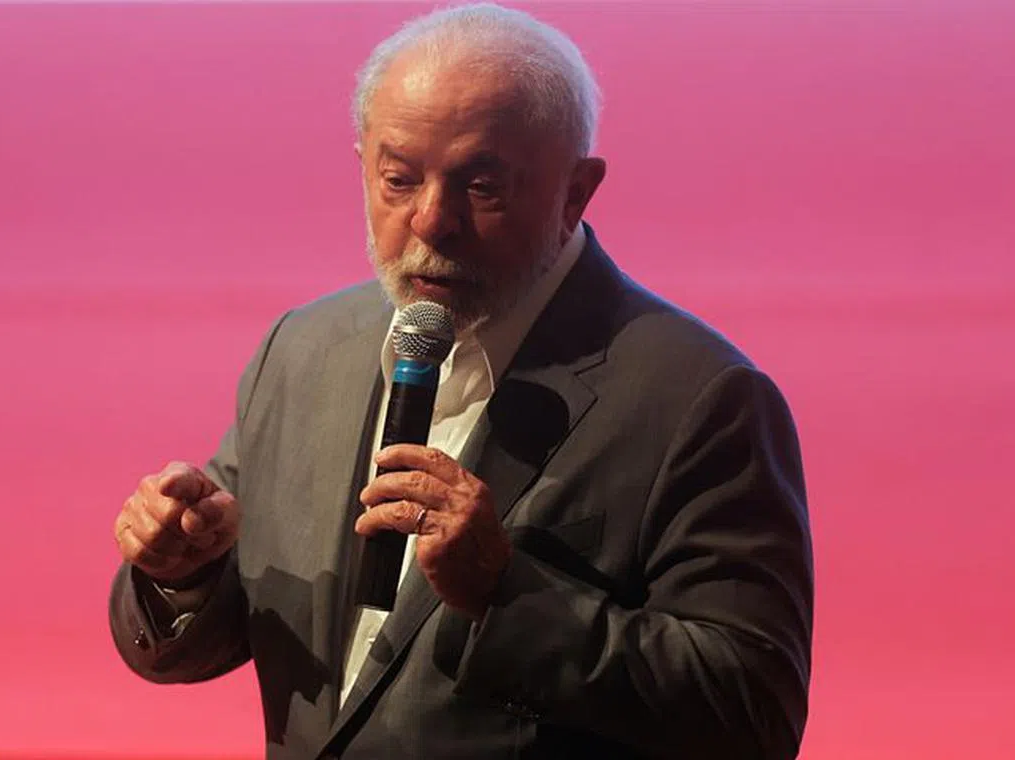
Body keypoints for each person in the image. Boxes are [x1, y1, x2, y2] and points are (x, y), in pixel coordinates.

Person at [108, 4, 814, 759]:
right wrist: (182, 571)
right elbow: (208, 634)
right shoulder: (303, 352)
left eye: (481, 186)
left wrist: (506, 594)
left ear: (576, 191)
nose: (430, 221)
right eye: (398, 180)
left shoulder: (700, 398)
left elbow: (753, 712)